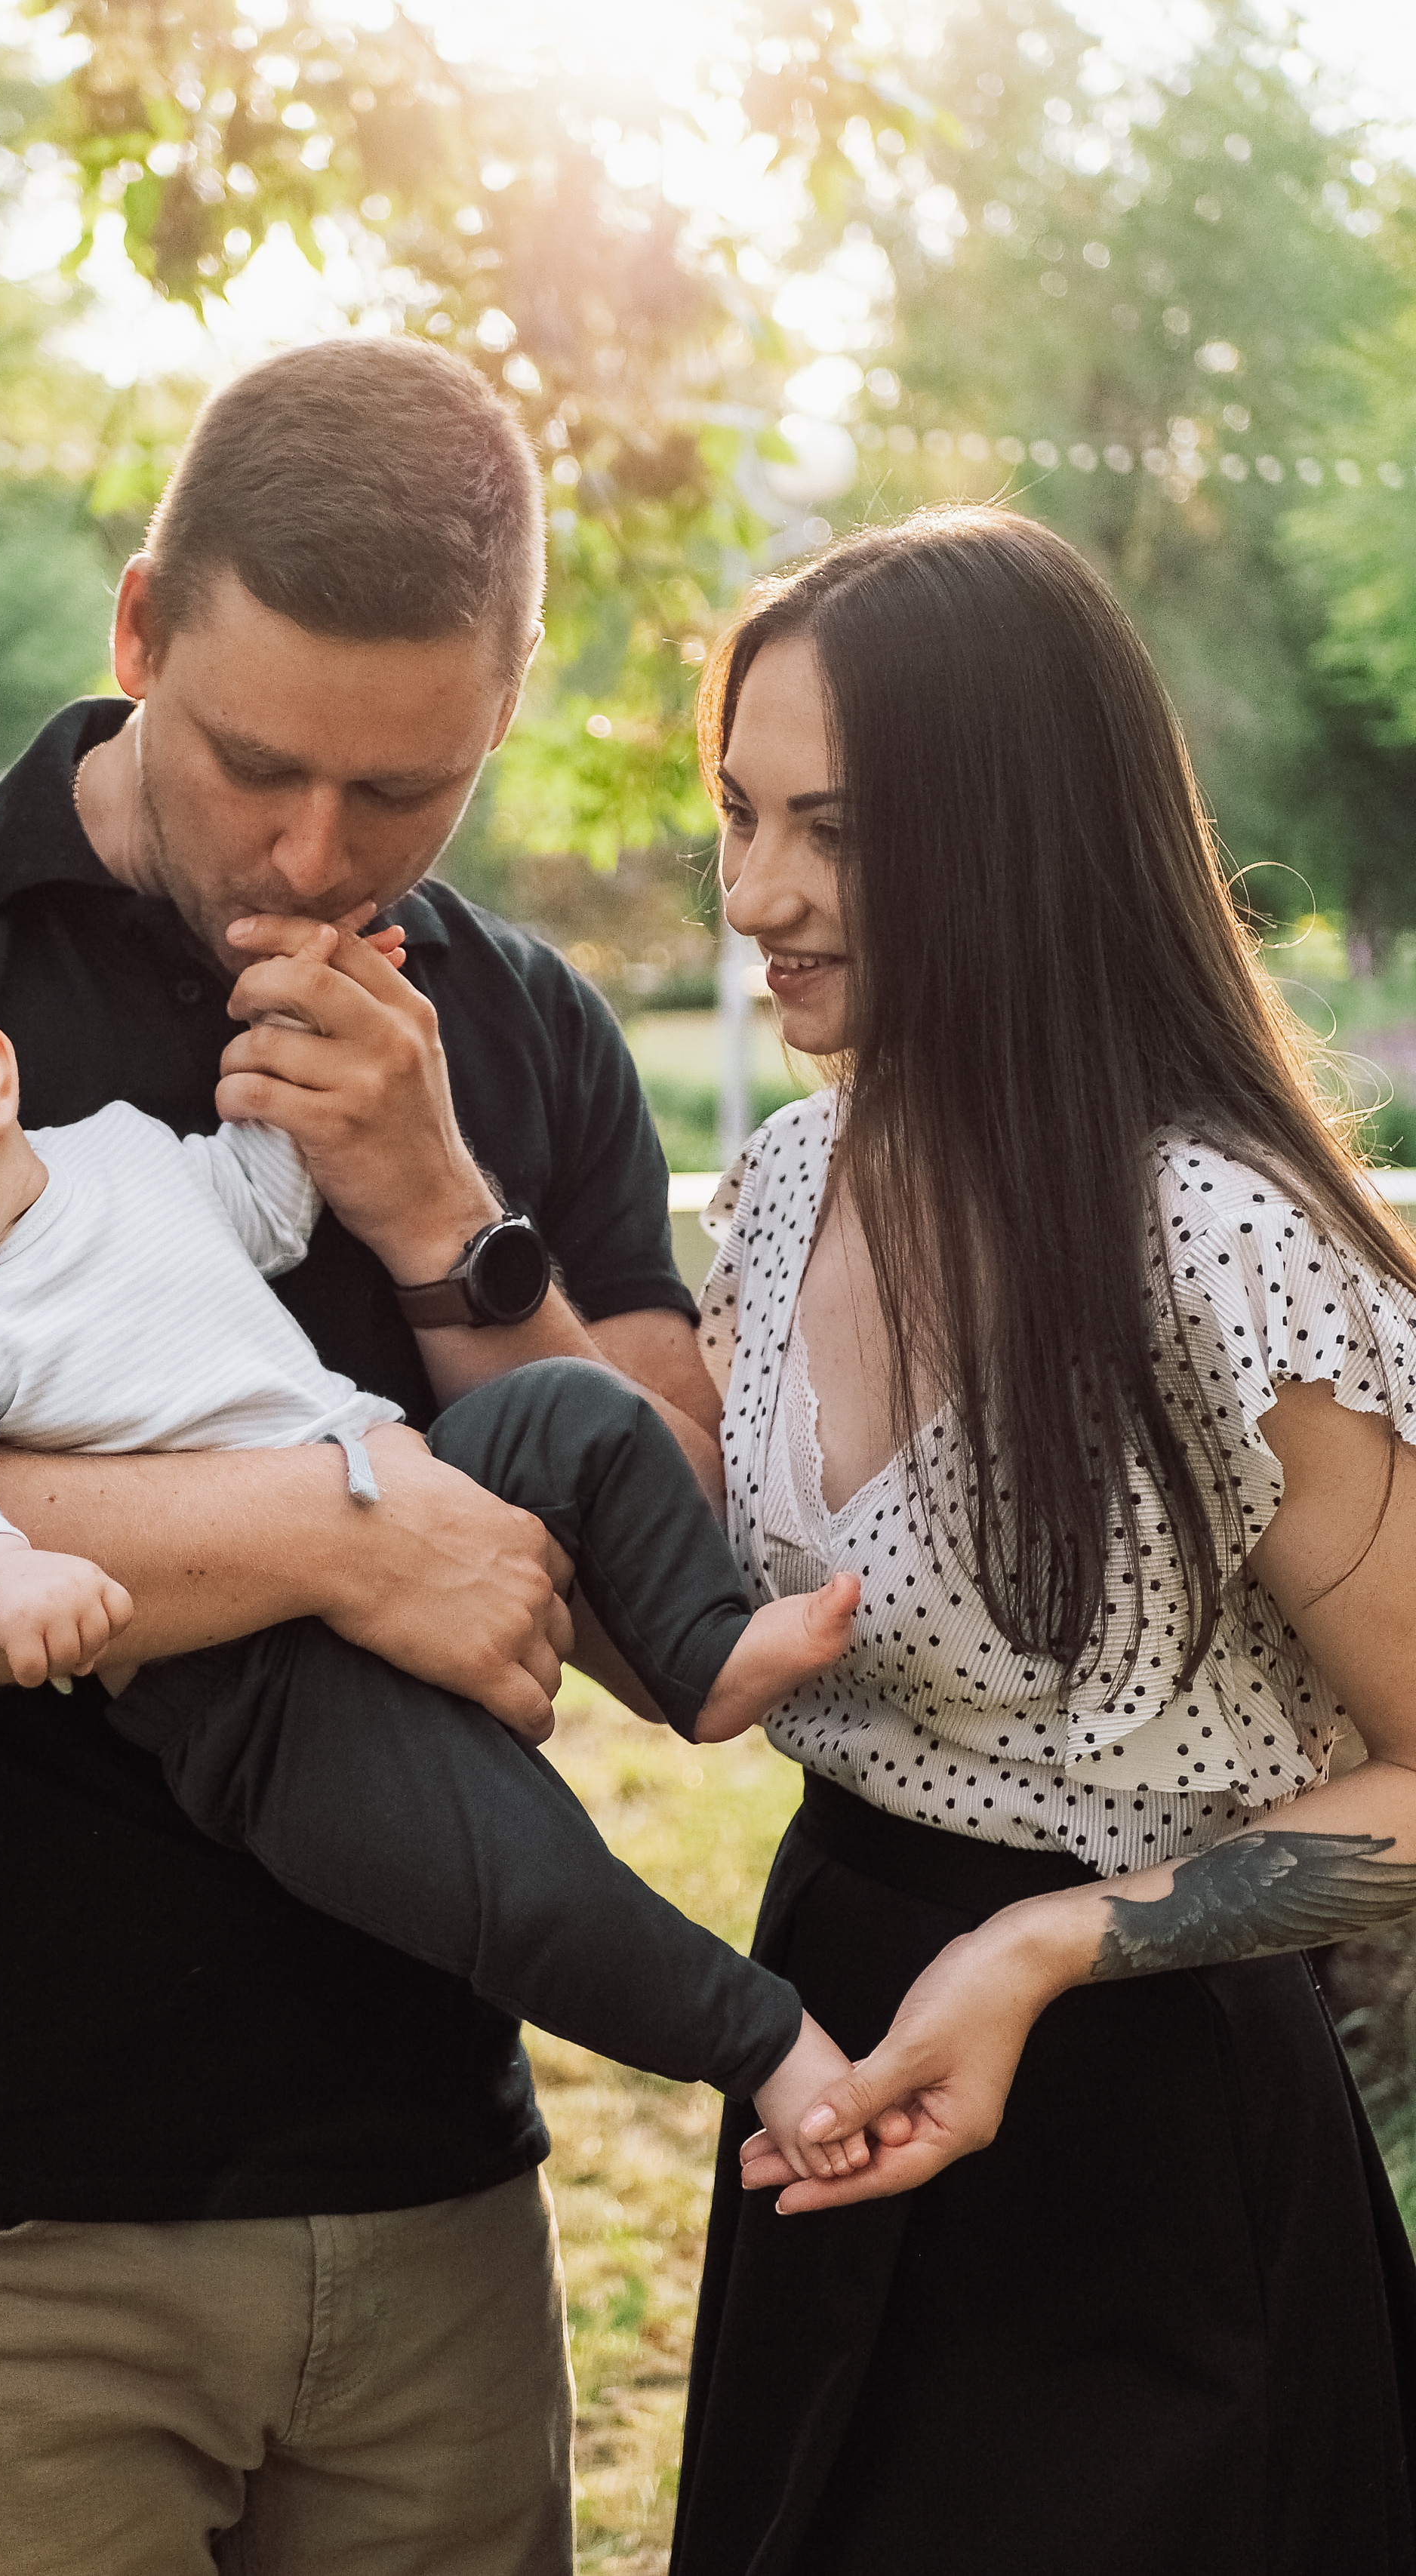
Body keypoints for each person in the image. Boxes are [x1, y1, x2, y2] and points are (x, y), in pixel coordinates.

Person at [0, 334, 784, 2576]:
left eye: (405, 790)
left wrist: (443, 1216)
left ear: (504, 710)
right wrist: (329, 1528)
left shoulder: (529, 1023)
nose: (312, 853)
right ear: (140, 629)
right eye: (256, 765)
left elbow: (681, 1605)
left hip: (428, 2190)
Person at [666, 503, 1416, 2576]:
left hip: (1145, 2128)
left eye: (834, 830)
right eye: (737, 813)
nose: (754, 892)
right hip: (828, 2030)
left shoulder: (1214, 1245)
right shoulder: (791, 1177)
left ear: (1017, 838)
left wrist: (1050, 1944)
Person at [0, 920, 870, 2131]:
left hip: (407, 1475)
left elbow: (265, 1201)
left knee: (576, 1409)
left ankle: (702, 1655)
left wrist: (309, 1036)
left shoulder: (120, 1152)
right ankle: (766, 2043)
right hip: (261, 1687)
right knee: (523, 1883)